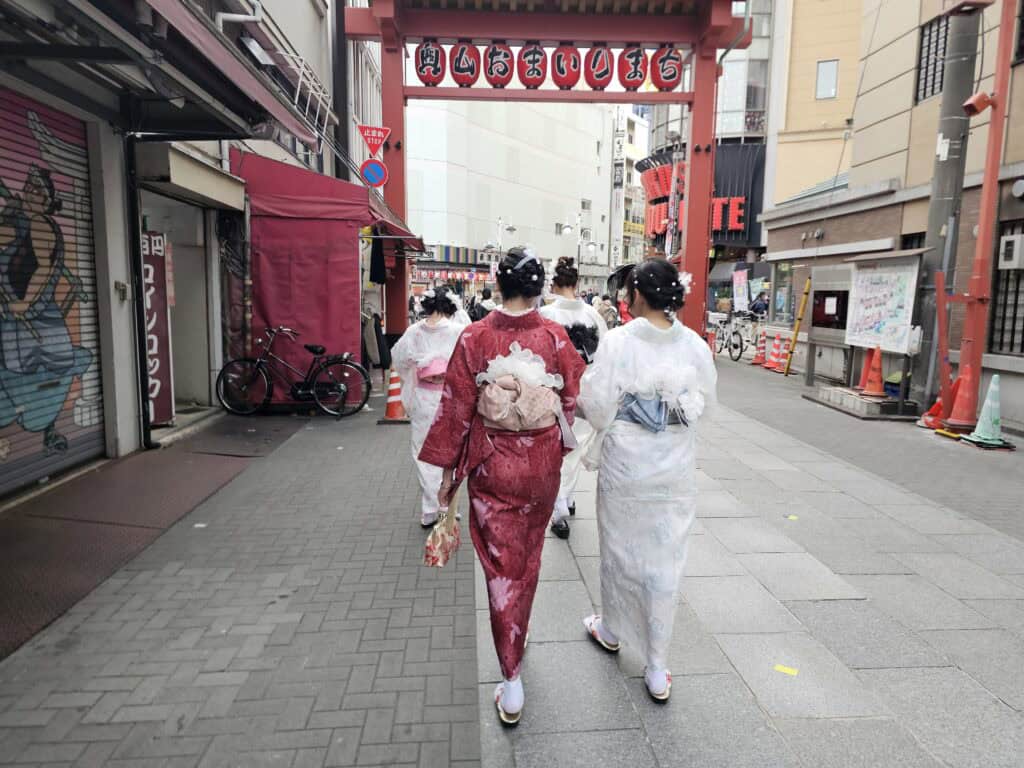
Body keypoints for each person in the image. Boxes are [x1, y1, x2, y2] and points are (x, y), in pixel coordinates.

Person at [419, 247, 585, 726]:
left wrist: (447, 474)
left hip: (492, 464)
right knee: (528, 558)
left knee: (500, 567)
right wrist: (550, 441)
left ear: (498, 285)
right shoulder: (554, 336)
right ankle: (518, 628)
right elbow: (570, 398)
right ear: (537, 289)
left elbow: (455, 407)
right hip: (541, 464)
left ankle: (511, 681)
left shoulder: (474, 337)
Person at [577, 258, 717, 703]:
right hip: (674, 466)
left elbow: (597, 407)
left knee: (618, 551)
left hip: (627, 465)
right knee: (666, 560)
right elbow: (705, 405)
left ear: (637, 295)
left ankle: (612, 629)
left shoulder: (619, 341)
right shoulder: (694, 345)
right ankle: (657, 666)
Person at [539, 257, 606, 540]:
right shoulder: (594, 316)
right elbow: (603, 357)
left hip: (552, 390)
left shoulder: (545, 314)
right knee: (574, 449)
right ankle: (566, 498)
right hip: (583, 389)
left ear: (553, 284)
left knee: (556, 451)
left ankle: (559, 508)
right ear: (576, 284)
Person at [391, 287, 467, 527]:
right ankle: (449, 507)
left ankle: (430, 510)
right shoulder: (458, 330)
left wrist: (419, 367)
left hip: (424, 396)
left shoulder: (414, 331)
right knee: (450, 452)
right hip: (449, 397)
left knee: (423, 452)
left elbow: (399, 359)